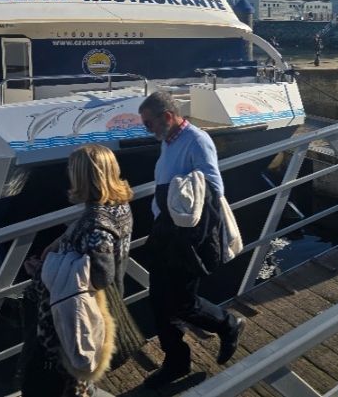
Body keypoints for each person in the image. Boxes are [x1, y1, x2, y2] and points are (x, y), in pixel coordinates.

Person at [138, 91, 245, 389]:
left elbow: (213, 187)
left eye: (149, 123)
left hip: (184, 237)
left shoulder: (196, 140)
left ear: (168, 117)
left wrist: (177, 206)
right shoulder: (168, 140)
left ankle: (227, 323)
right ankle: (176, 362)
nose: (147, 129)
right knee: (159, 302)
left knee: (183, 302)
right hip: (164, 232)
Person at [20, 145, 139, 397]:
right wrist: (64, 238)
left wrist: (44, 270)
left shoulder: (96, 222)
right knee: (76, 373)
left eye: (72, 171)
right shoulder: (120, 206)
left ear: (83, 176)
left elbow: (100, 275)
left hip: (78, 309)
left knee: (59, 373)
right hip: (100, 304)